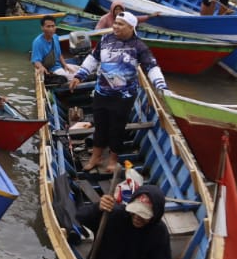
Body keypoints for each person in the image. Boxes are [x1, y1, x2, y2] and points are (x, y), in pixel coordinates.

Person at [69, 13, 167, 174]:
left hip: (124, 96)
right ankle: (96, 157)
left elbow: (152, 67)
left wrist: (161, 86)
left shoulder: (139, 46)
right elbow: (93, 58)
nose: (115, 26)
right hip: (102, 92)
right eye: (115, 23)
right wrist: (80, 75)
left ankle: (113, 159)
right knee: (100, 125)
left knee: (117, 127)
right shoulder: (106, 40)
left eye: (121, 24)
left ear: (131, 27)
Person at [32, 15, 79, 83]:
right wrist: (41, 67)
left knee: (81, 70)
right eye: (48, 26)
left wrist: (65, 65)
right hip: (52, 70)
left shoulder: (55, 37)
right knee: (74, 77)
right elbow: (36, 61)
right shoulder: (37, 42)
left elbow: (59, 54)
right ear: (42, 28)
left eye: (53, 26)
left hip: (60, 65)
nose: (51, 29)